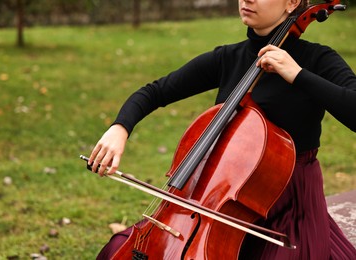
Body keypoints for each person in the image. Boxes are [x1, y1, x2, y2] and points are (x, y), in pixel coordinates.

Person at [88, 0, 356, 258]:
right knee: (119, 251)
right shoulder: (229, 57)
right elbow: (154, 92)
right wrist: (120, 128)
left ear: (292, 2)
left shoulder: (317, 59)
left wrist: (298, 74)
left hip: (289, 208)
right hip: (222, 201)